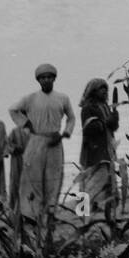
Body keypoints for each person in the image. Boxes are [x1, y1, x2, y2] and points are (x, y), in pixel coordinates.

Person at [8, 64, 77, 238]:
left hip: (54, 142)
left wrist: (63, 135)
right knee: (33, 178)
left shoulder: (62, 98)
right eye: (42, 77)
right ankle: (32, 214)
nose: (46, 80)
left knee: (53, 178)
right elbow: (13, 110)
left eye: (49, 77)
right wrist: (26, 123)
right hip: (36, 140)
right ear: (38, 80)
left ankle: (51, 213)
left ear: (54, 78)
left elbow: (71, 117)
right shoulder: (30, 98)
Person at [78, 78, 120, 220]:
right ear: (93, 91)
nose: (104, 92)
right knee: (92, 179)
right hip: (93, 148)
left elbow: (113, 127)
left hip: (106, 146)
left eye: (106, 89)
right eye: (101, 89)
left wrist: (115, 119)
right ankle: (83, 209)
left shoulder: (105, 106)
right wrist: (104, 123)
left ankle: (104, 208)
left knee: (106, 178)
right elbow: (88, 128)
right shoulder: (88, 108)